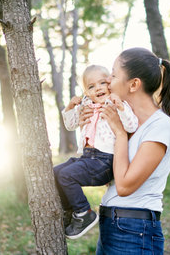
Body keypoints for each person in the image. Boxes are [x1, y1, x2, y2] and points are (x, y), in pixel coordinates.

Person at [80, 48, 170, 254]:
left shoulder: (160, 126)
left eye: (113, 74)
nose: (107, 79)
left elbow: (124, 186)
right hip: (111, 225)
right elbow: (109, 175)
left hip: (134, 231)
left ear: (133, 84)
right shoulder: (125, 121)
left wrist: (120, 133)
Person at [54, 65, 138, 240]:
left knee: (67, 175)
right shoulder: (87, 105)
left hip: (105, 161)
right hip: (87, 157)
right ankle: (69, 210)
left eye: (102, 83)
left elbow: (131, 125)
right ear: (86, 92)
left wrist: (120, 106)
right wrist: (70, 107)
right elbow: (70, 125)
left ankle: (84, 213)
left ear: (110, 83)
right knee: (56, 172)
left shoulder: (116, 103)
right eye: (91, 86)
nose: (98, 88)